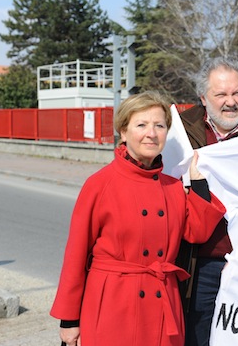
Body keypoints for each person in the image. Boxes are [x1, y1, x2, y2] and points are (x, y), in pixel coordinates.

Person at [50, 91, 226, 346]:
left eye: (159, 125)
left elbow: (197, 232)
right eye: (141, 125)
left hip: (162, 305)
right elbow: (76, 255)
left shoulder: (173, 187)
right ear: (123, 132)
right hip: (113, 305)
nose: (151, 133)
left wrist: (198, 183)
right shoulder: (100, 184)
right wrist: (69, 320)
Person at [178, 56, 238, 346]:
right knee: (197, 336)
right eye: (221, 94)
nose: (230, 102)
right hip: (200, 263)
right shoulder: (179, 133)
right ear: (203, 98)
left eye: (237, 93)